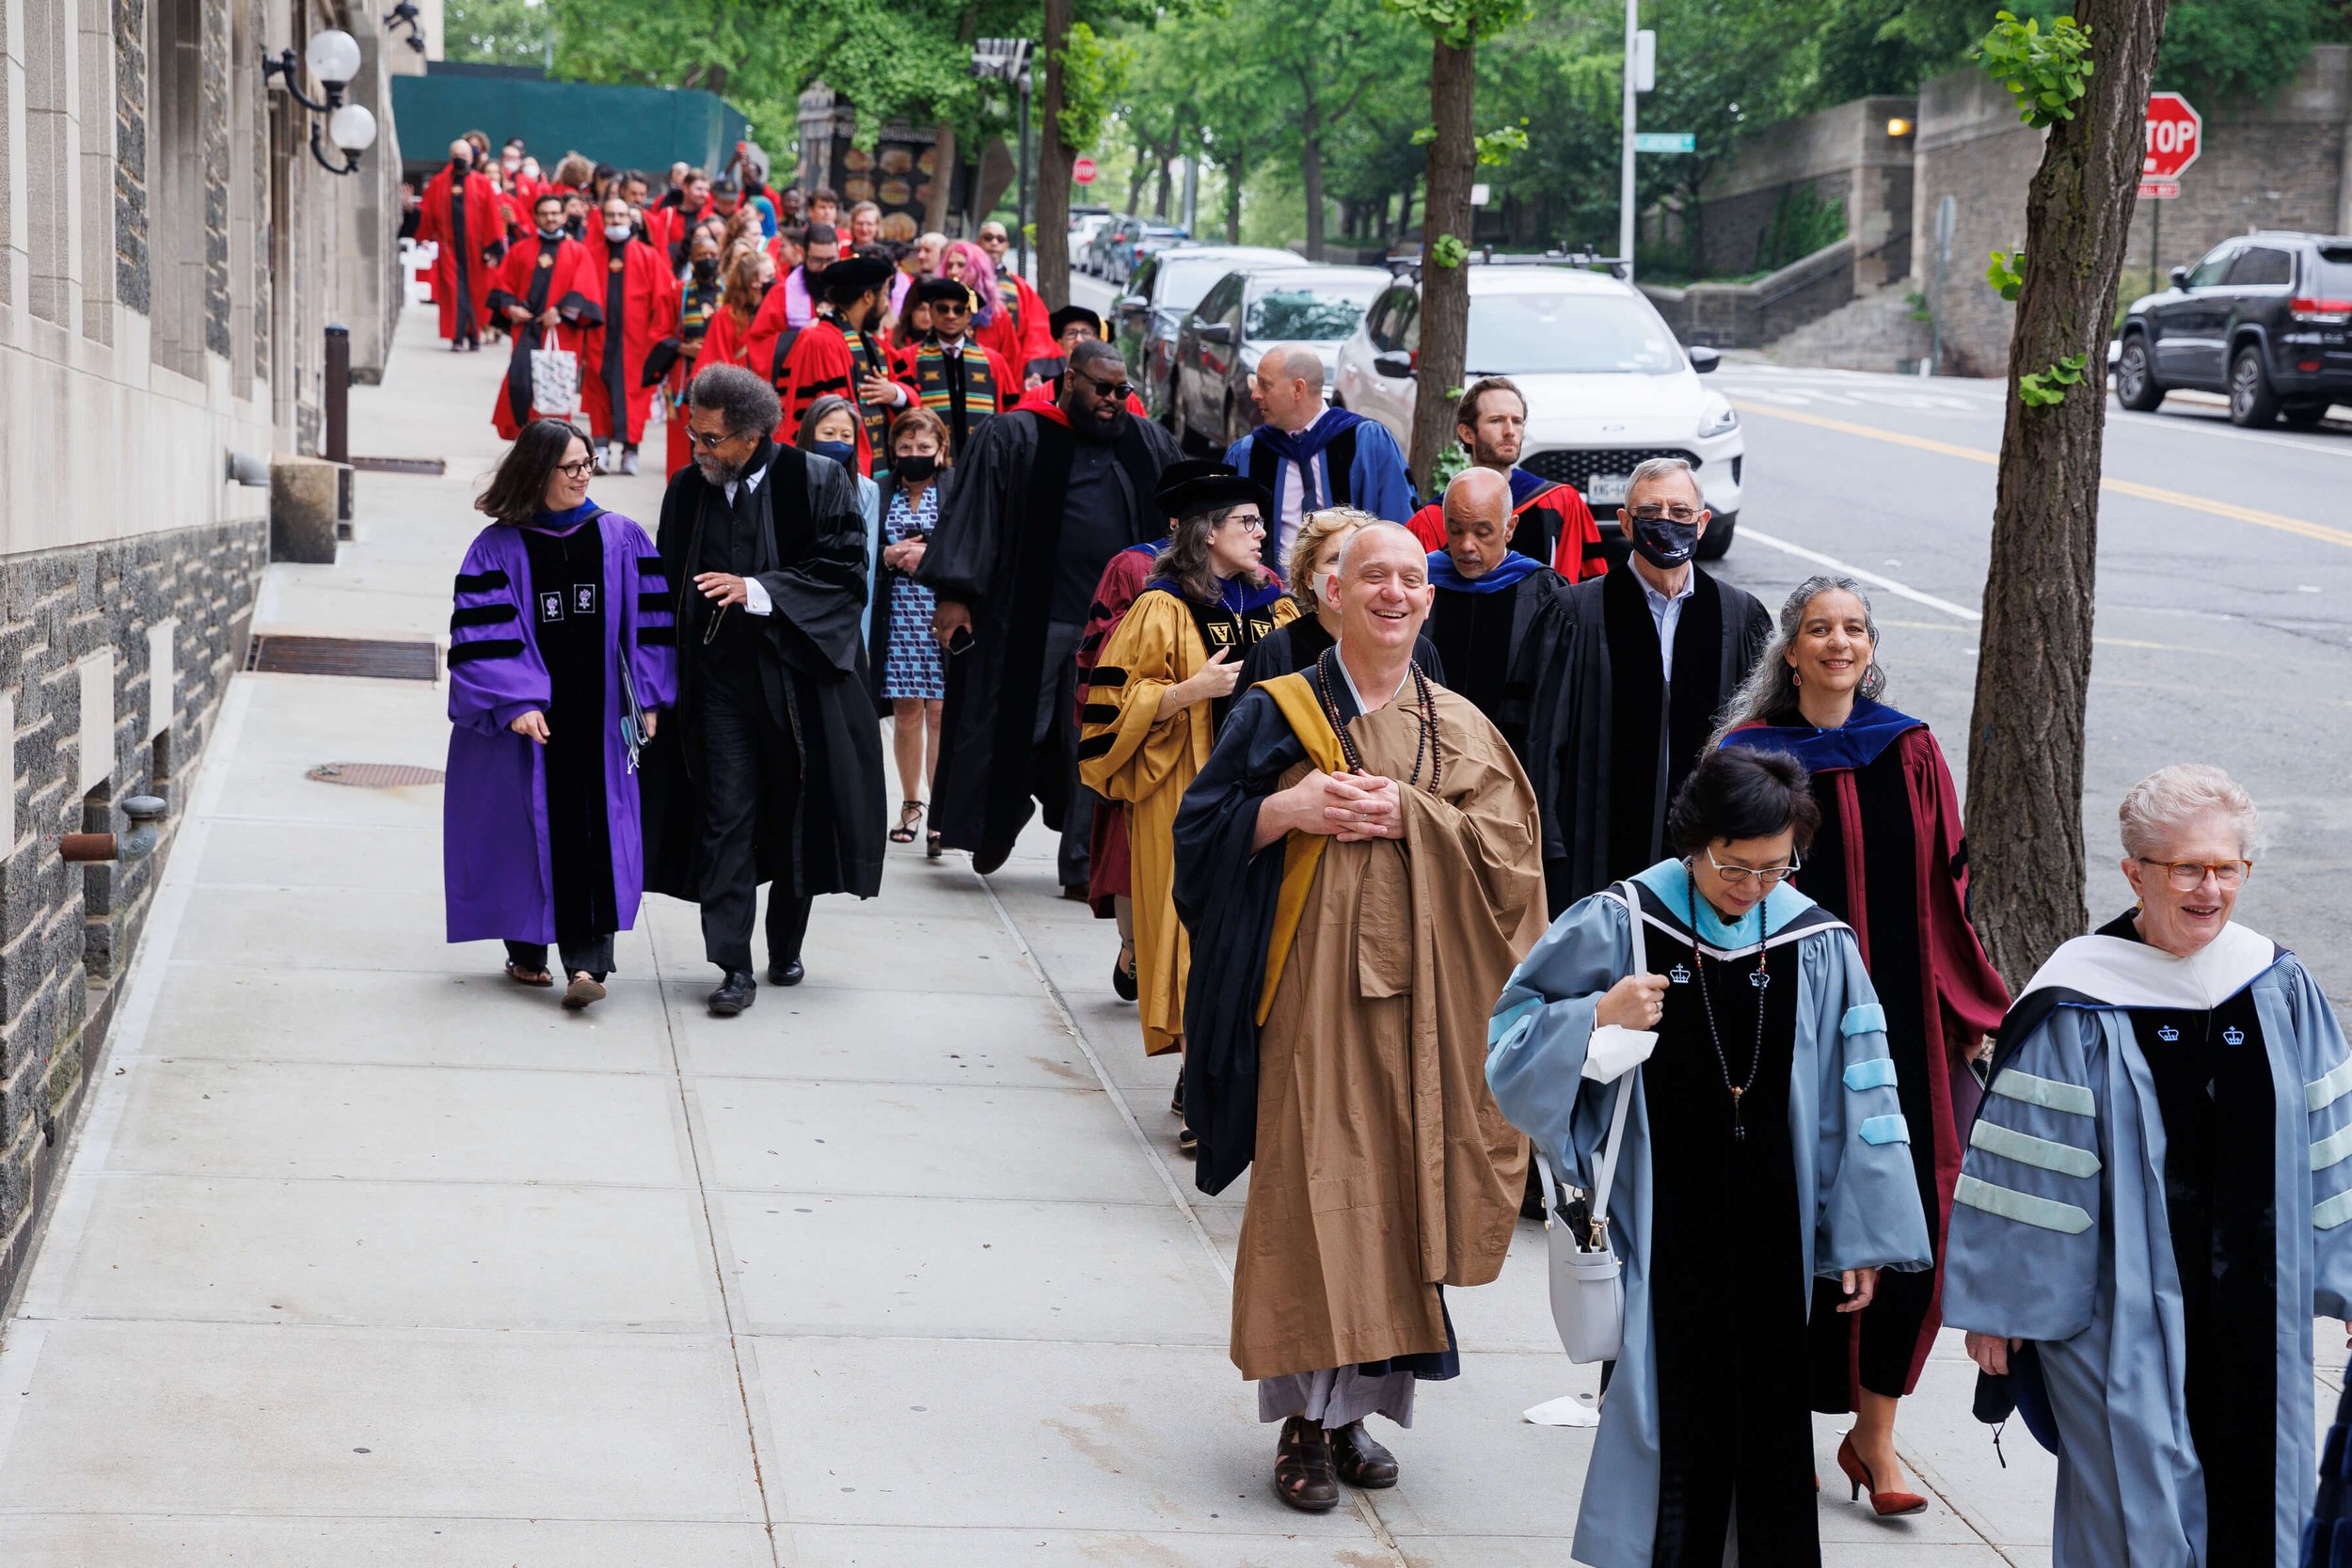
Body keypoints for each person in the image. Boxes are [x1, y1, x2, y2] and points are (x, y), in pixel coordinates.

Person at [1486, 745, 1933, 1566]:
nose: (1756, 886)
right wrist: (1595, 1013)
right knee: (1666, 1412)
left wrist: (1862, 1234)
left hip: (1777, 1218)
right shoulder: (1620, 922)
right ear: (1694, 840)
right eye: (1737, 866)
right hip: (1660, 1218)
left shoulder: (1818, 940)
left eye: (1775, 867)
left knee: (1769, 1410)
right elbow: (1508, 1047)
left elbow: (1861, 1093)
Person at [1173, 520, 1540, 1511]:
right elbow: (1198, 835)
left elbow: (1514, 869)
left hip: (1424, 1004)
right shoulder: (1278, 709)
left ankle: (1355, 1414)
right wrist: (1283, 812)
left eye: (1408, 579)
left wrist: (1415, 816)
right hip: (1304, 994)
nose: (1392, 592)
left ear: (1427, 599)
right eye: (1370, 575)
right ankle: (1301, 1420)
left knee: (1396, 1203)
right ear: (1329, 594)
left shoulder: (1459, 726)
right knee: (1309, 1196)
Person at [1945, 765, 2352, 1568]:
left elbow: (2329, 1139)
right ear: (2135, 872)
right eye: (2186, 868)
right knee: (2130, 1511)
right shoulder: (2080, 996)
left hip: (2257, 1309)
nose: (2210, 889)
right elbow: (2031, 1173)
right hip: (2117, 1315)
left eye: (2226, 867)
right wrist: (2002, 1305)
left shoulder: (2276, 981)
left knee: (2259, 1501)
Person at [1711, 577, 2010, 1513]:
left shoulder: (1909, 748)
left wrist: (1962, 1010)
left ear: (1867, 646)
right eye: (1816, 628)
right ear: (1788, 652)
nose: (1836, 641)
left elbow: (1947, 883)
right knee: (1780, 1217)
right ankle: (1779, 1427)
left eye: (1852, 627)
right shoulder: (1747, 754)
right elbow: (1711, 885)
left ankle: (1874, 1439)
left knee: (1905, 1218)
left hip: (1903, 1028)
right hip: (1784, 1020)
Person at [639, 365, 886, 1015]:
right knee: (725, 816)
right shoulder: (688, 489)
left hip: (797, 687)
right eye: (695, 434)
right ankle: (732, 965)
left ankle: (785, 943)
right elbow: (663, 587)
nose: (698, 449)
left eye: (711, 439)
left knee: (794, 815)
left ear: (751, 437)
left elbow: (843, 578)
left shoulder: (818, 481)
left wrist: (758, 591)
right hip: (717, 687)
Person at [917, 338, 1181, 885]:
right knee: (1021, 727)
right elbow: (974, 516)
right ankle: (995, 827)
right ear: (1069, 381)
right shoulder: (1017, 434)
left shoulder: (1146, 443)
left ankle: (1084, 862)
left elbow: (1181, 520)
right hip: (1030, 621)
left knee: (1094, 738)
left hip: (1117, 625)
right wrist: (955, 596)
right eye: (1101, 389)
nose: (1113, 400)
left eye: (1122, 391)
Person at [445, 420, 676, 1009]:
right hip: (529, 727)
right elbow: (480, 634)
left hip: (599, 727)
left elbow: (651, 627)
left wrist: (647, 698)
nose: (582, 475)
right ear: (537, 471)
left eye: (587, 463)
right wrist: (517, 698)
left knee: (593, 832)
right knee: (521, 835)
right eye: (570, 466)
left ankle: (586, 966)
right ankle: (526, 954)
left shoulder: (621, 538)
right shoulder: (496, 548)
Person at [1079, 470, 1295, 1089]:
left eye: (1260, 522)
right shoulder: (1159, 607)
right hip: (1183, 791)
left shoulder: (1271, 602)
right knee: (1185, 938)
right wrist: (1186, 693)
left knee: (1248, 936)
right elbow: (1113, 703)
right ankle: (1196, 1079)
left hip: (1261, 793)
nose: (1260, 533)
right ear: (1207, 535)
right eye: (1246, 522)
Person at [1532, 454, 1771, 917]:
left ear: (1702, 523)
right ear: (1625, 522)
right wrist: (1548, 844)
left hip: (1710, 848)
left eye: (1680, 513)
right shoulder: (1573, 615)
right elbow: (1540, 742)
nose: (1666, 523)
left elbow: (1762, 742)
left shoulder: (1739, 617)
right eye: (1649, 513)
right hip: (1593, 847)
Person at [1422, 467, 1569, 771]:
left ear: (1510, 527)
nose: (1465, 545)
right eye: (1456, 529)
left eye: (1482, 532)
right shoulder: (1421, 582)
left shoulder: (1542, 591)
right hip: (1429, 758)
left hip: (1511, 763)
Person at [1406, 377, 1606, 581]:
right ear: (1467, 433)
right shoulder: (1431, 520)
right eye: (1496, 420)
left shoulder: (1560, 502)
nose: (1510, 431)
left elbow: (1588, 586)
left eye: (1517, 421)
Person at [1224, 345, 1416, 558]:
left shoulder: (1366, 442)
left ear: (1298, 389)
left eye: (1265, 385)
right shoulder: (1248, 453)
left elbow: (1398, 527)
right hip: (1269, 588)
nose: (1255, 394)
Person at [867, 409, 956, 856]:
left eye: (924, 447)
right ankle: (910, 802)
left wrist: (931, 557)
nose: (915, 455)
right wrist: (889, 553)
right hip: (898, 609)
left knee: (941, 711)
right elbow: (861, 546)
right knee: (906, 712)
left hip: (943, 609)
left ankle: (939, 812)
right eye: (906, 448)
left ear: (941, 450)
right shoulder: (879, 490)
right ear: (894, 451)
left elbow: (970, 543)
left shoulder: (955, 488)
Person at [1240, 507, 1444, 688]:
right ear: (1308, 576)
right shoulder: (1276, 651)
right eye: (1336, 559)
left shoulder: (1418, 649)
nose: (1346, 571)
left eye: (1363, 562)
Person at [771, 254, 914, 476]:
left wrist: (894, 392)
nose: (887, 305)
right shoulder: (820, 342)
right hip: (839, 473)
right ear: (868, 297)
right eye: (884, 294)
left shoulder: (874, 344)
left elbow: (909, 388)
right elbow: (825, 419)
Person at [485, 192, 601, 439]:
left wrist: (559, 311)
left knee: (554, 393)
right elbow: (503, 286)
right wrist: (511, 309)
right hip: (526, 331)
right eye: (544, 214)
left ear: (563, 215)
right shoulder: (521, 249)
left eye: (554, 213)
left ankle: (553, 445)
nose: (550, 218)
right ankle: (524, 440)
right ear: (536, 217)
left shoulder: (578, 251)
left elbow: (584, 288)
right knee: (519, 384)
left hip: (560, 334)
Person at [580, 195, 679, 477]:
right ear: (602, 221)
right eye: (610, 216)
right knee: (598, 393)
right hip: (598, 339)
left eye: (621, 216)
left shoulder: (648, 256)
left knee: (634, 398)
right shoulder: (590, 254)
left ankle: (630, 452)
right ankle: (600, 449)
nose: (616, 221)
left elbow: (663, 300)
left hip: (636, 343)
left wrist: (654, 339)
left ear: (631, 220)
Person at [796, 394, 884, 642]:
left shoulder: (866, 490)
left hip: (843, 612)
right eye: (828, 433)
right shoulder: (789, 480)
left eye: (846, 436)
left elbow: (864, 565)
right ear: (810, 433)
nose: (838, 442)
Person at [900, 277, 1014, 460]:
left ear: (969, 316)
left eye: (959, 310)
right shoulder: (909, 358)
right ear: (931, 311)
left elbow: (1009, 414)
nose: (950, 315)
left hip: (983, 465)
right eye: (942, 308)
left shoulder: (994, 361)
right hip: (929, 467)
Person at [418, 138, 502, 351]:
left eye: (464, 156)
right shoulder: (439, 183)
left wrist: (493, 248)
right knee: (455, 292)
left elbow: (492, 216)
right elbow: (427, 214)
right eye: (456, 156)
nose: (460, 159)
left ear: (472, 158)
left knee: (476, 292)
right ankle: (457, 336)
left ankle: (474, 335)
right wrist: (414, 217)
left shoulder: (482, 183)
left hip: (476, 249)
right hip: (450, 249)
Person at [664, 230, 727, 480]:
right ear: (692, 259)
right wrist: (683, 347)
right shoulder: (678, 292)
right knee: (683, 448)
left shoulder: (730, 291)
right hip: (684, 379)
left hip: (720, 377)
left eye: (713, 254)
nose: (708, 259)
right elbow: (659, 332)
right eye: (702, 255)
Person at [751, 223, 840, 354]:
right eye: (817, 260)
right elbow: (759, 346)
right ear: (804, 254)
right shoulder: (782, 293)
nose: (824, 268)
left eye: (831, 260)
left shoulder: (852, 289)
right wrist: (800, 335)